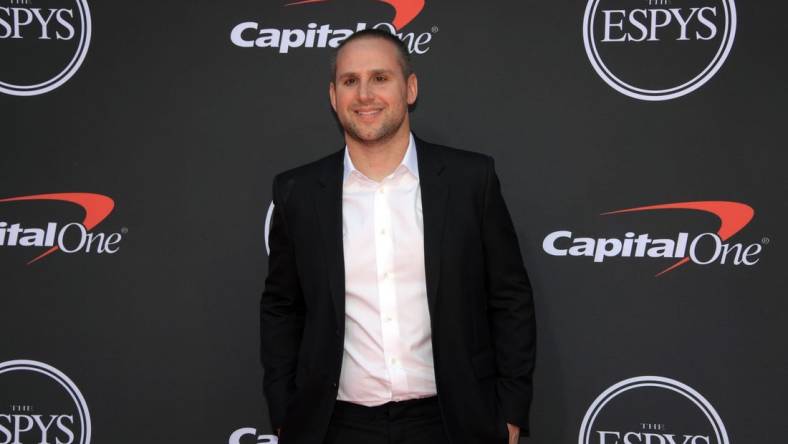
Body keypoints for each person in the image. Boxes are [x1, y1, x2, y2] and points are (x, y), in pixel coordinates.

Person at [260, 29, 536, 444]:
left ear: (410, 88)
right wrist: (285, 411)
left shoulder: (469, 180)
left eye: (380, 78)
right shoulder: (297, 192)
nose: (365, 94)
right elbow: (282, 306)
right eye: (350, 81)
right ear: (334, 96)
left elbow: (509, 297)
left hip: (451, 422)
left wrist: (511, 413)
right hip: (334, 426)